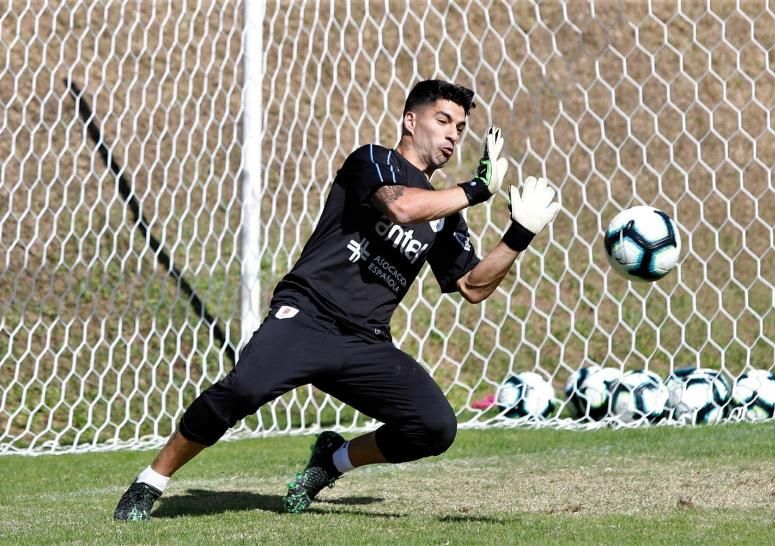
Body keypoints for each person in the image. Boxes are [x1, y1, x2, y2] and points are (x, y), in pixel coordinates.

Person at [113, 79, 561, 520]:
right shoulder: (373, 160)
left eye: (460, 128)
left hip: (365, 341)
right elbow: (401, 207)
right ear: (410, 121)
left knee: (435, 427)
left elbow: (472, 286)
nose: (452, 134)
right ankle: (150, 482)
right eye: (442, 120)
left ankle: (332, 460)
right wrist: (475, 190)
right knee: (244, 389)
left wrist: (518, 236)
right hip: (307, 316)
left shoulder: (446, 213)